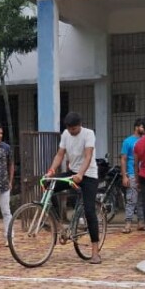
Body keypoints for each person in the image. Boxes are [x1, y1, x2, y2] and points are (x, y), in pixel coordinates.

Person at [45, 111, 103, 263]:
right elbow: (60, 154)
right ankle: (59, 225)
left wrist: (81, 174)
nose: (71, 131)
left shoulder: (88, 134)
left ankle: (95, 252)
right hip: (72, 173)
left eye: (74, 129)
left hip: (88, 175)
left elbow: (88, 156)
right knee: (48, 186)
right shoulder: (65, 134)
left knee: (89, 210)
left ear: (80, 125)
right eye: (69, 129)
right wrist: (51, 171)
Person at [119, 120, 144, 234]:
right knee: (131, 199)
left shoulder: (144, 140)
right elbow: (123, 159)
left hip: (143, 173)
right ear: (136, 127)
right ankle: (128, 223)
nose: (144, 129)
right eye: (142, 127)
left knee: (141, 200)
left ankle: (141, 222)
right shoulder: (128, 141)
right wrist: (124, 176)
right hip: (132, 173)